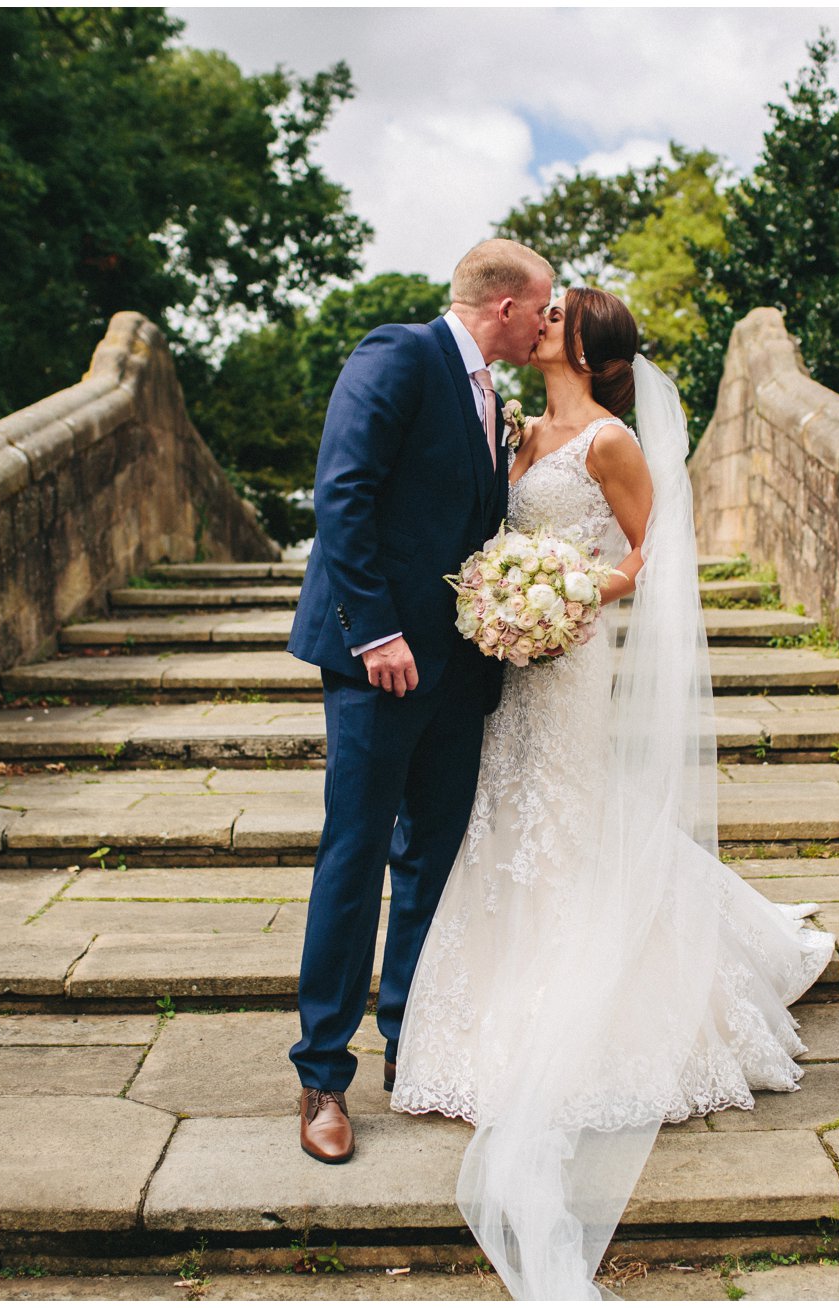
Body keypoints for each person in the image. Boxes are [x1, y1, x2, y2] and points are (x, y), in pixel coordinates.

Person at [389, 286, 836, 1299]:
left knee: (568, 806)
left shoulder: (609, 445)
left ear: (588, 347)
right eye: (542, 311)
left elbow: (652, 557)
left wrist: (565, 591)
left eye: (560, 315)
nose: (541, 319)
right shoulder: (516, 427)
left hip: (572, 649)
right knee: (507, 806)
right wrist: (503, 591)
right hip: (512, 652)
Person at [284, 238, 554, 1165]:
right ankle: (323, 1073)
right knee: (355, 858)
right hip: (377, 660)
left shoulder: (496, 398)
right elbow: (343, 495)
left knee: (433, 859)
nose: (548, 323)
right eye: (544, 306)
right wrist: (373, 632)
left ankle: (413, 1046)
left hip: (461, 668)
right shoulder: (399, 354)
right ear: (506, 306)